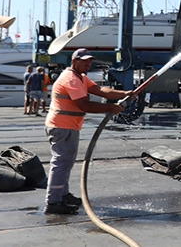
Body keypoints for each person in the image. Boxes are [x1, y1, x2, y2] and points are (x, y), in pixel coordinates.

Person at [43, 48, 134, 215]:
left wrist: (124, 93)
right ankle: (53, 202)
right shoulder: (70, 79)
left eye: (89, 61)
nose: (88, 64)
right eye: (84, 61)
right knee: (61, 163)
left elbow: (100, 91)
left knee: (66, 163)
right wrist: (110, 107)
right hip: (62, 126)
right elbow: (84, 105)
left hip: (68, 125)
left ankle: (63, 195)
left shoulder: (81, 78)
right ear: (74, 61)